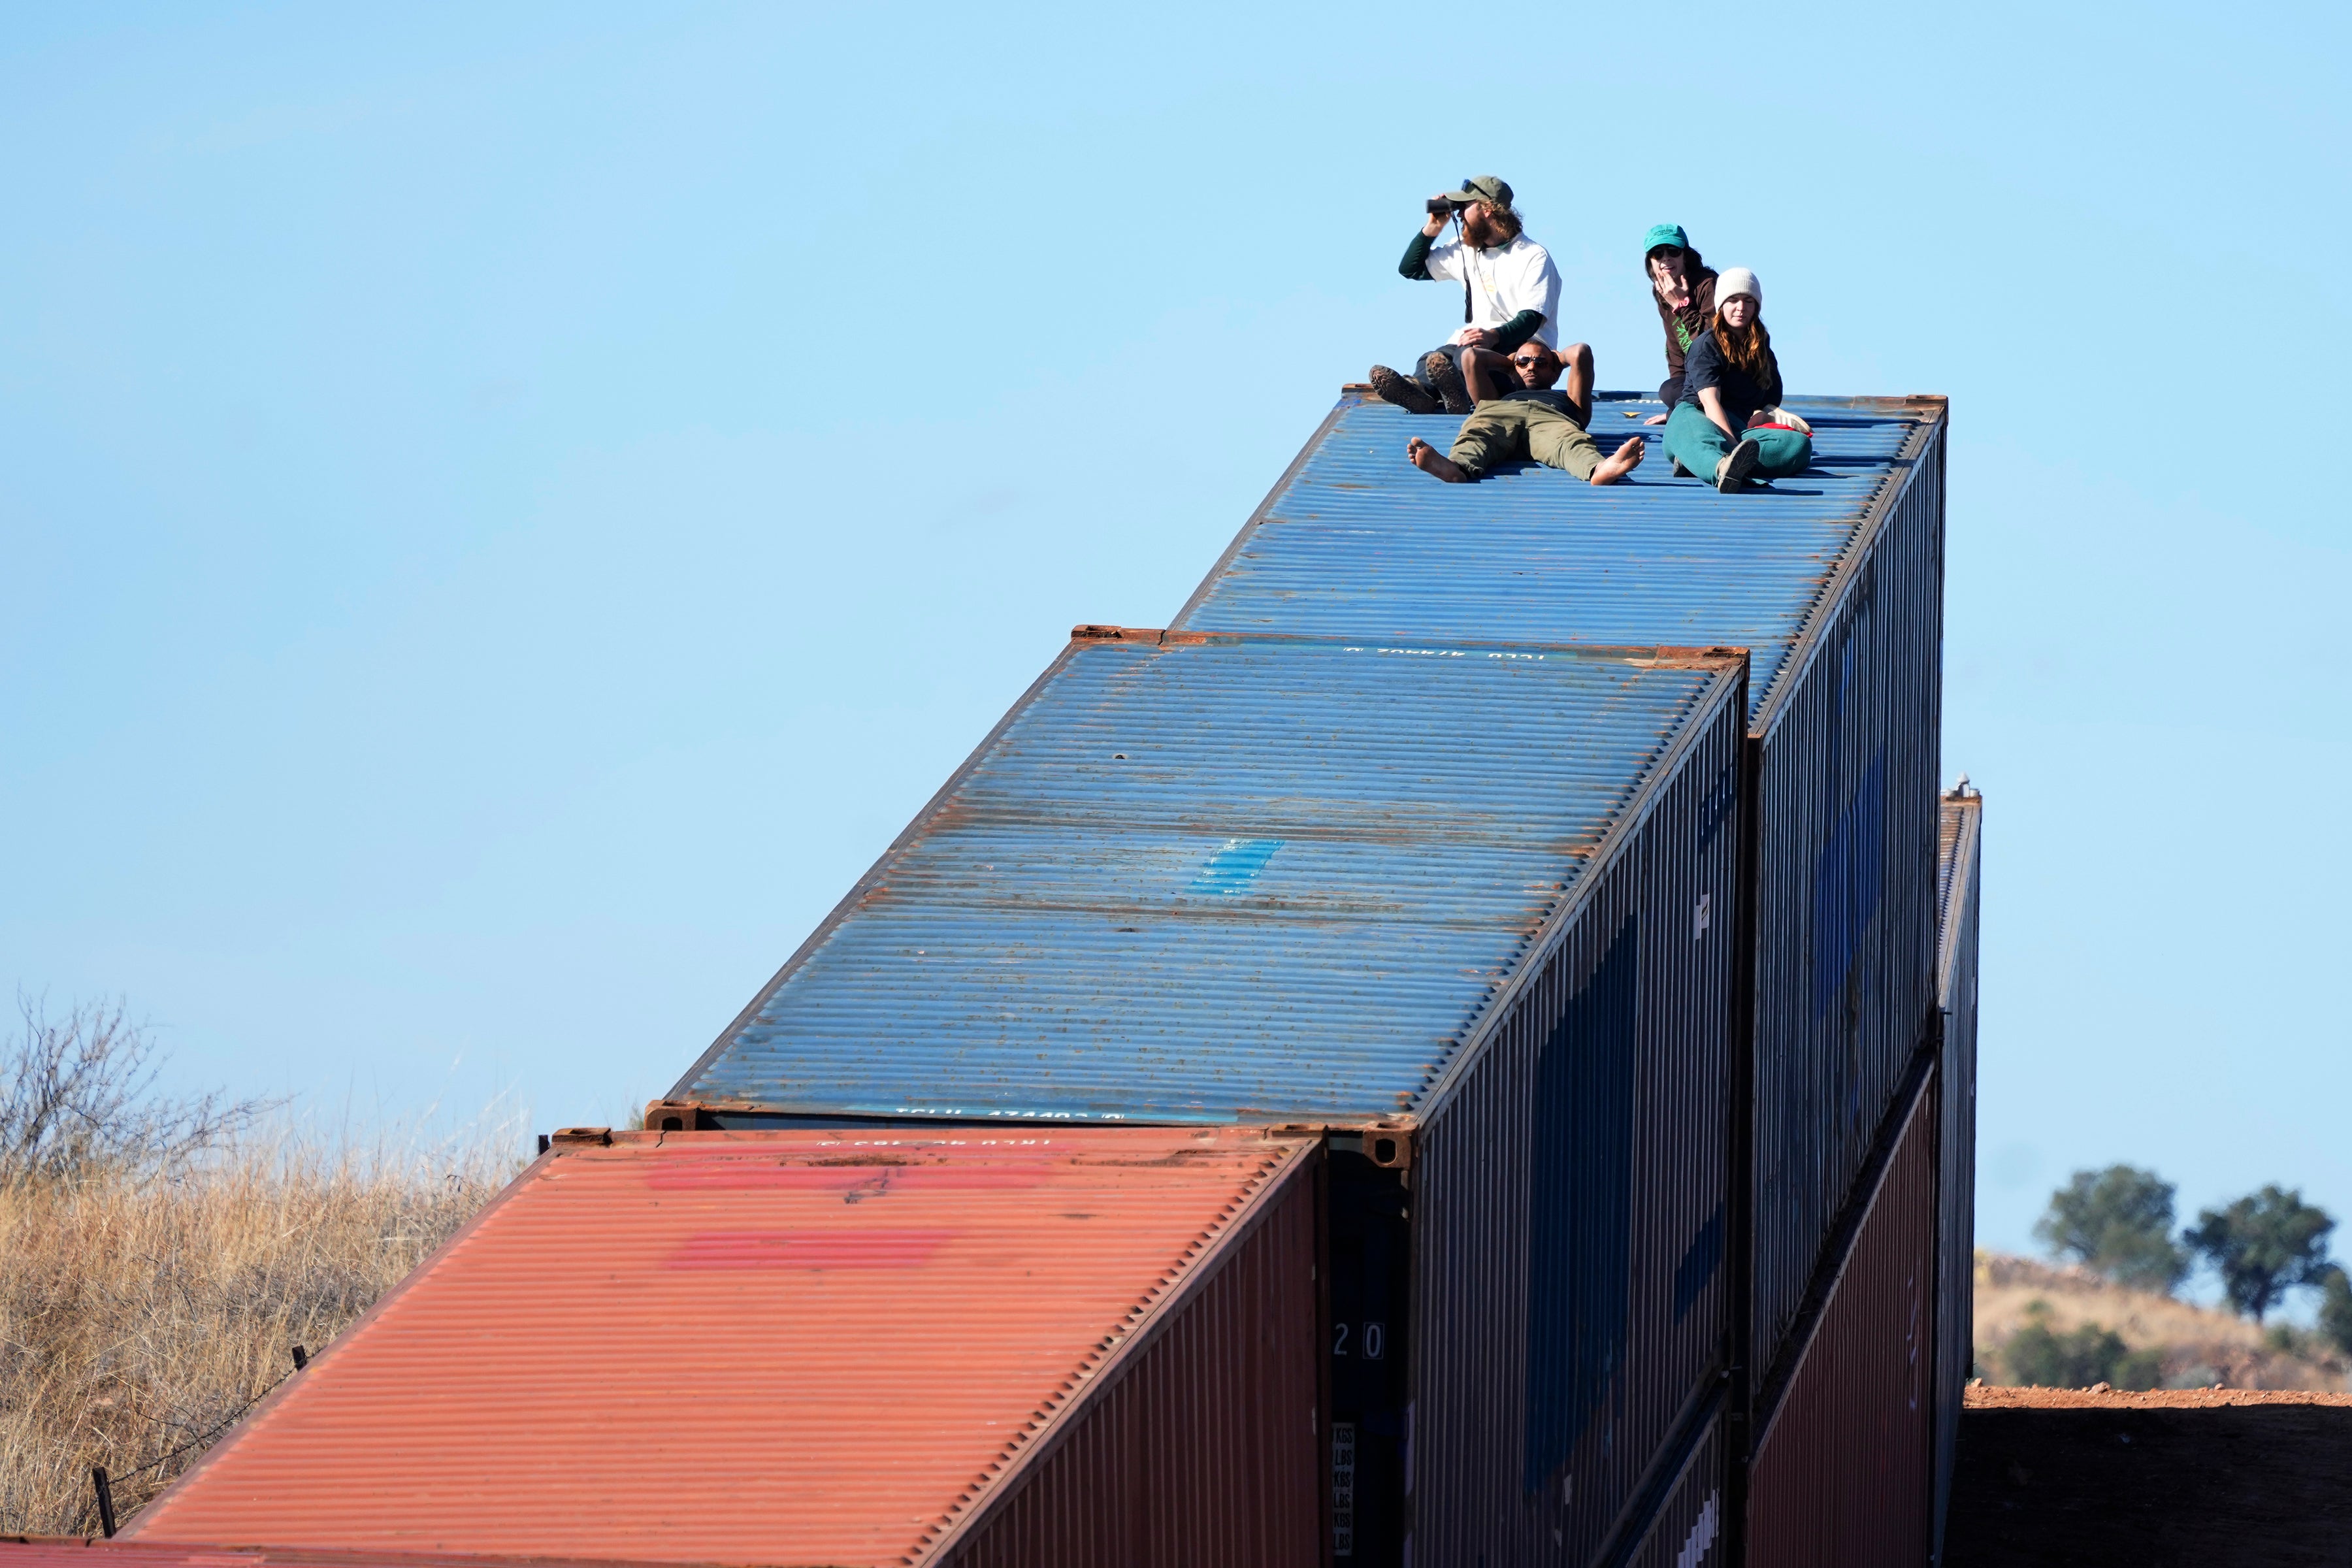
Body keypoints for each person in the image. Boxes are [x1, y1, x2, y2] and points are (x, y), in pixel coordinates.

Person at [1369, 176, 1577, 416]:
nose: (1458, 215)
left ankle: (1455, 392)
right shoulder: (1465, 249)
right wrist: (1433, 228)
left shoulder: (1533, 256)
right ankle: (1424, 392)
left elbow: (1531, 319)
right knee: (1438, 357)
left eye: (1465, 207)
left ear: (1488, 210)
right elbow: (1410, 269)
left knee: (1467, 356)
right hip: (1473, 348)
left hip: (1520, 358)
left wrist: (1492, 336)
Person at [1403, 340, 1646, 486]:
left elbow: (1581, 352)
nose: (1531, 366)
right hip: (1500, 414)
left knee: (1571, 443)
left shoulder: (1571, 401)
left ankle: (1599, 469)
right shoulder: (1493, 399)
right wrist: (1509, 362)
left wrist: (1557, 358)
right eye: (1524, 362)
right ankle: (1455, 468)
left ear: (1554, 372)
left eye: (1541, 363)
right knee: (1478, 434)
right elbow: (1471, 356)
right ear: (1513, 368)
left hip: (1551, 418)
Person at [1661, 268, 1814, 493]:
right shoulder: (1706, 345)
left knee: (1798, 446)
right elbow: (1710, 402)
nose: (1741, 308)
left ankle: (1704, 462)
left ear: (1757, 307)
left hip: (1738, 428)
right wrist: (1734, 447)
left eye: (1748, 301)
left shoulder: (1761, 348)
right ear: (1721, 305)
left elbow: (1768, 401)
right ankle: (1722, 467)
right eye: (1733, 300)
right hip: (1696, 416)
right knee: (1699, 435)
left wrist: (1762, 417)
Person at [1639, 223, 1719, 426]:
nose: (1666, 258)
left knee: (1675, 392)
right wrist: (1676, 406)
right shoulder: (1661, 292)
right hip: (1696, 382)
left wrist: (1682, 306)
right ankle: (1687, 408)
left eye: (1673, 251)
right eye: (1658, 254)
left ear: (1686, 256)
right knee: (1669, 390)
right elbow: (1675, 345)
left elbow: (1714, 342)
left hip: (1723, 375)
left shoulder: (1707, 284)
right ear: (1650, 261)